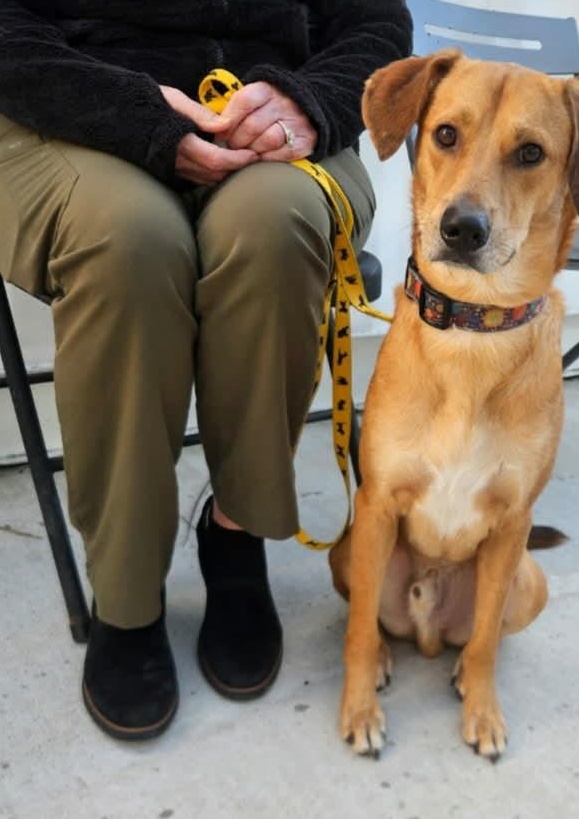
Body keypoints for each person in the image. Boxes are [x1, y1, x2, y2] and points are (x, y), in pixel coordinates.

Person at [0, 1, 412, 741]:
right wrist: (129, 110)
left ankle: (236, 531)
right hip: (60, 104)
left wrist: (309, 102)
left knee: (275, 226)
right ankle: (126, 594)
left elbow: (376, 24)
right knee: (129, 241)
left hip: (284, 123)